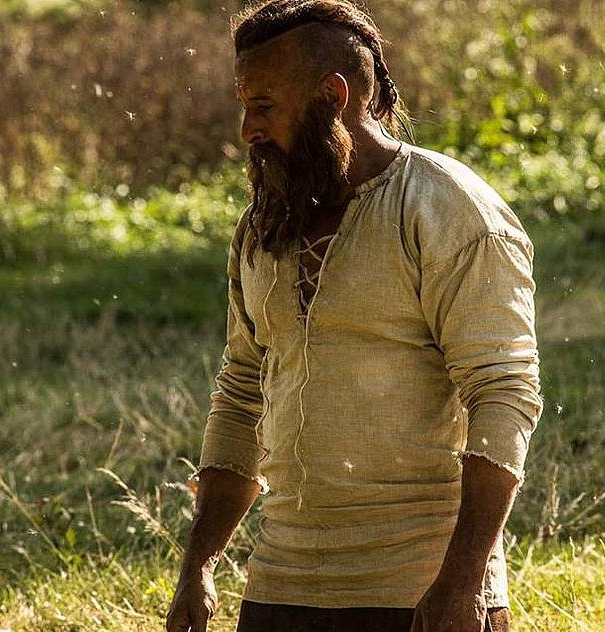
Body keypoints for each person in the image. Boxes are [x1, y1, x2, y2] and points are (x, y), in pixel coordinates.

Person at [164, 1, 543, 631]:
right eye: (244, 105)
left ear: (332, 97)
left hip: (422, 590)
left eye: (264, 106)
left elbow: (503, 392)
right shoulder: (264, 225)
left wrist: (463, 582)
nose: (247, 129)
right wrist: (197, 566)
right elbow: (241, 393)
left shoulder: (448, 208)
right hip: (282, 585)